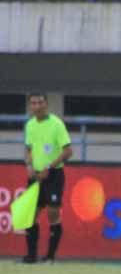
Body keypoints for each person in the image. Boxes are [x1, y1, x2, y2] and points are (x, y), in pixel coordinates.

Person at [22, 92, 72, 264]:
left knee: (52, 213)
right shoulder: (29, 125)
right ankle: (31, 256)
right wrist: (29, 166)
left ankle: (50, 256)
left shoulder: (56, 124)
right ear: (30, 105)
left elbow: (68, 151)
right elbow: (28, 149)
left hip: (53, 175)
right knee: (30, 215)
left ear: (46, 104)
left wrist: (49, 167)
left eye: (40, 102)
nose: (37, 106)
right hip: (35, 175)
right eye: (33, 103)